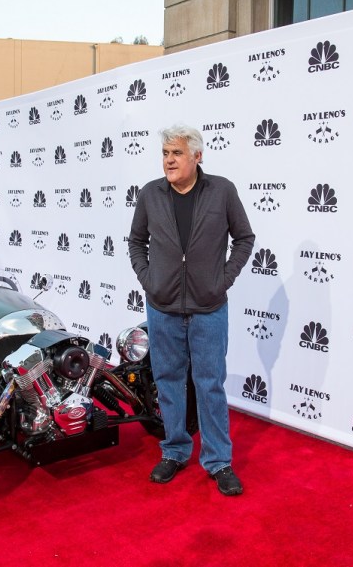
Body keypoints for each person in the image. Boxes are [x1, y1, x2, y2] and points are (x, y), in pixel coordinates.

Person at [128, 124, 255, 495]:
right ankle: (174, 451)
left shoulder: (222, 191)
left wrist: (222, 279)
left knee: (209, 384)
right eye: (166, 153)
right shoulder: (150, 194)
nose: (169, 160)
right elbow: (136, 242)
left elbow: (244, 239)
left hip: (209, 306)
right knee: (167, 382)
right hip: (162, 306)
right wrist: (150, 280)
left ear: (197, 156)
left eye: (177, 153)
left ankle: (218, 461)